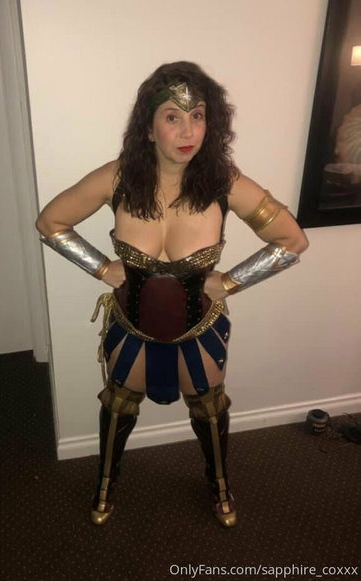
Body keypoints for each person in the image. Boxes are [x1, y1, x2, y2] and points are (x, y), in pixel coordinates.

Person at [35, 62, 309, 528]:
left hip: (201, 329)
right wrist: (101, 267)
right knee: (118, 405)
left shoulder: (225, 183)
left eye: (197, 116)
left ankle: (219, 483)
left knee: (209, 409)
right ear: (148, 127)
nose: (188, 131)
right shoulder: (117, 179)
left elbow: (291, 241)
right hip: (130, 327)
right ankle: (105, 483)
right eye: (172, 117)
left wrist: (230, 281)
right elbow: (50, 223)